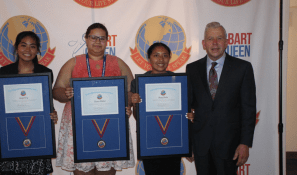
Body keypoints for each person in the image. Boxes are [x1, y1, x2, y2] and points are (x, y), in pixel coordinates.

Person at [53, 23, 135, 175]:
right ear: (86, 38)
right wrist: (66, 93)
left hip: (110, 125)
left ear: (107, 41)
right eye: (93, 37)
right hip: (78, 126)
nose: (97, 42)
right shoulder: (73, 62)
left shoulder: (118, 63)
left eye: (102, 38)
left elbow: (131, 91)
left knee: (107, 170)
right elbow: (56, 91)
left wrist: (128, 105)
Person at [186, 22, 256, 175]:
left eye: (219, 38)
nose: (215, 43)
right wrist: (187, 143)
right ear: (204, 44)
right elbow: (187, 107)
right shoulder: (192, 69)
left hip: (230, 145)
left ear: (227, 41)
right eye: (210, 39)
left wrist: (244, 143)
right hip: (201, 145)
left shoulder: (243, 68)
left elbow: (248, 109)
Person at [0, 31, 58, 175]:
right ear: (16, 47)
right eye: (23, 45)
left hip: (38, 133)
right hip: (12, 133)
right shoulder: (5, 71)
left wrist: (52, 113)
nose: (27, 50)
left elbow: (46, 103)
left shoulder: (45, 72)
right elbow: (2, 103)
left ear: (38, 50)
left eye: (32, 46)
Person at [130, 42, 194, 175]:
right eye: (156, 55)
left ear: (170, 58)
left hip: (174, 138)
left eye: (165, 55)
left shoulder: (179, 81)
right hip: (150, 139)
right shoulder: (139, 83)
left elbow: (187, 112)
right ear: (149, 58)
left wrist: (192, 117)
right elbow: (137, 117)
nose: (160, 59)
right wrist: (135, 104)